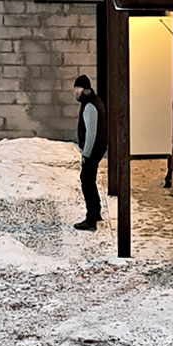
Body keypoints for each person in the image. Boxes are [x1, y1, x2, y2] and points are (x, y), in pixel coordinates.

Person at [73, 74, 107, 231]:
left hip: (93, 150)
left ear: (83, 89)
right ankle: (96, 212)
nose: (75, 92)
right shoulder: (93, 101)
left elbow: (91, 133)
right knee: (90, 181)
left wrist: (86, 154)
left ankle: (91, 219)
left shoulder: (90, 106)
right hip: (97, 149)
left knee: (87, 181)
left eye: (77, 89)